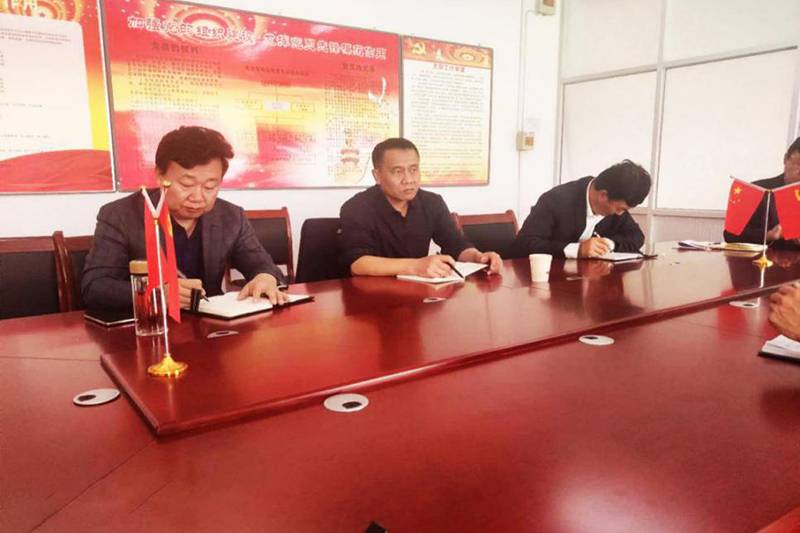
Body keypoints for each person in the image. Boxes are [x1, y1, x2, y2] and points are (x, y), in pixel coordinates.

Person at [82, 126, 287, 310]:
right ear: (160, 175)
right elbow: (95, 287)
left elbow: (263, 265)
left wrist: (266, 277)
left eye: (210, 186)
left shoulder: (231, 217)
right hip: (150, 327)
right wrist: (157, 294)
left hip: (212, 325)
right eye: (186, 185)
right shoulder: (120, 215)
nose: (198, 197)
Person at [339, 138, 502, 278]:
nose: (409, 179)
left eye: (413, 169)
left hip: (419, 292)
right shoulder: (357, 207)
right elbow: (358, 264)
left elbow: (454, 243)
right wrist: (416, 266)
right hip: (372, 295)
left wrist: (477, 257)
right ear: (377, 176)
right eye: (398, 171)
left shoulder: (432, 202)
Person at [511, 160, 651, 258]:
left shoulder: (616, 201)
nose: (620, 214)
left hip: (589, 280)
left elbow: (636, 236)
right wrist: (576, 250)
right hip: (548, 282)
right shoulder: (556, 199)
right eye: (620, 208)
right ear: (603, 195)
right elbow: (524, 244)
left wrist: (608, 244)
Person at [724, 137, 800, 248]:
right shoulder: (756, 189)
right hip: (762, 258)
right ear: (785, 159)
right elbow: (730, 235)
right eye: (799, 164)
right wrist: (769, 235)